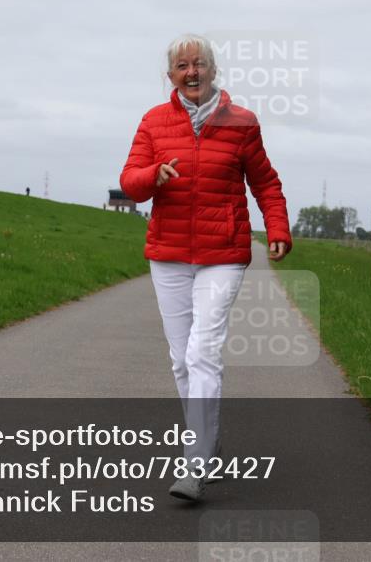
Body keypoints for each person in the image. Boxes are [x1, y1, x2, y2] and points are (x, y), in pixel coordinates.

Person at [119, 34, 293, 501]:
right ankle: (210, 448)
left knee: (203, 353)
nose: (191, 72)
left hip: (223, 254)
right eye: (182, 66)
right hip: (169, 255)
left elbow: (265, 182)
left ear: (213, 70)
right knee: (181, 359)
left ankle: (193, 466)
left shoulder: (241, 123)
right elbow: (130, 183)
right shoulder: (154, 122)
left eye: (199, 64)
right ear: (170, 75)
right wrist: (152, 175)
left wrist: (277, 226)